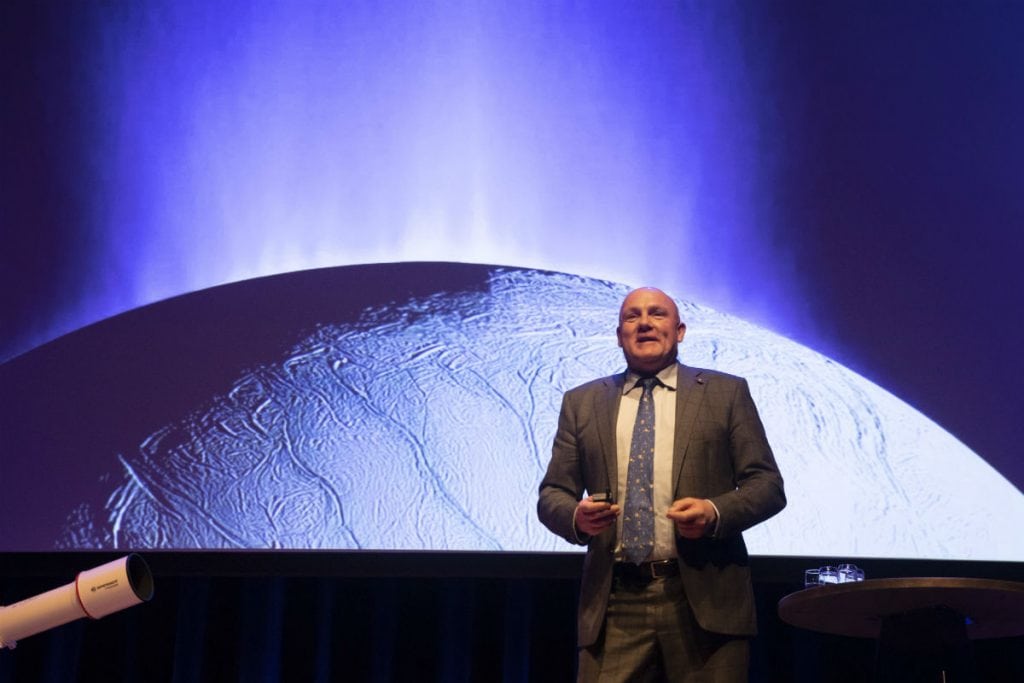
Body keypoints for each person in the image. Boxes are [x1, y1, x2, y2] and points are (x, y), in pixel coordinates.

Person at [538, 287, 786, 682]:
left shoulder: (725, 394)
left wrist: (714, 512)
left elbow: (767, 485)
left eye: (657, 314)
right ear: (619, 335)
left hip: (704, 601)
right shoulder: (582, 402)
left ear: (680, 330)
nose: (645, 323)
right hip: (614, 604)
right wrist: (576, 518)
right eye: (632, 317)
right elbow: (552, 493)